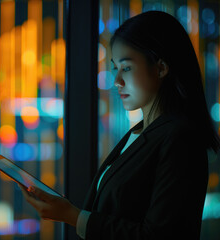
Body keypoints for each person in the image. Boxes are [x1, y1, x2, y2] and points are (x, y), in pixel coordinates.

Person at [18, 10, 220, 239]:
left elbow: (159, 235)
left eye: (127, 68)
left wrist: (74, 216)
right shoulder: (140, 133)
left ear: (161, 68)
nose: (117, 81)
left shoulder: (179, 138)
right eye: (116, 68)